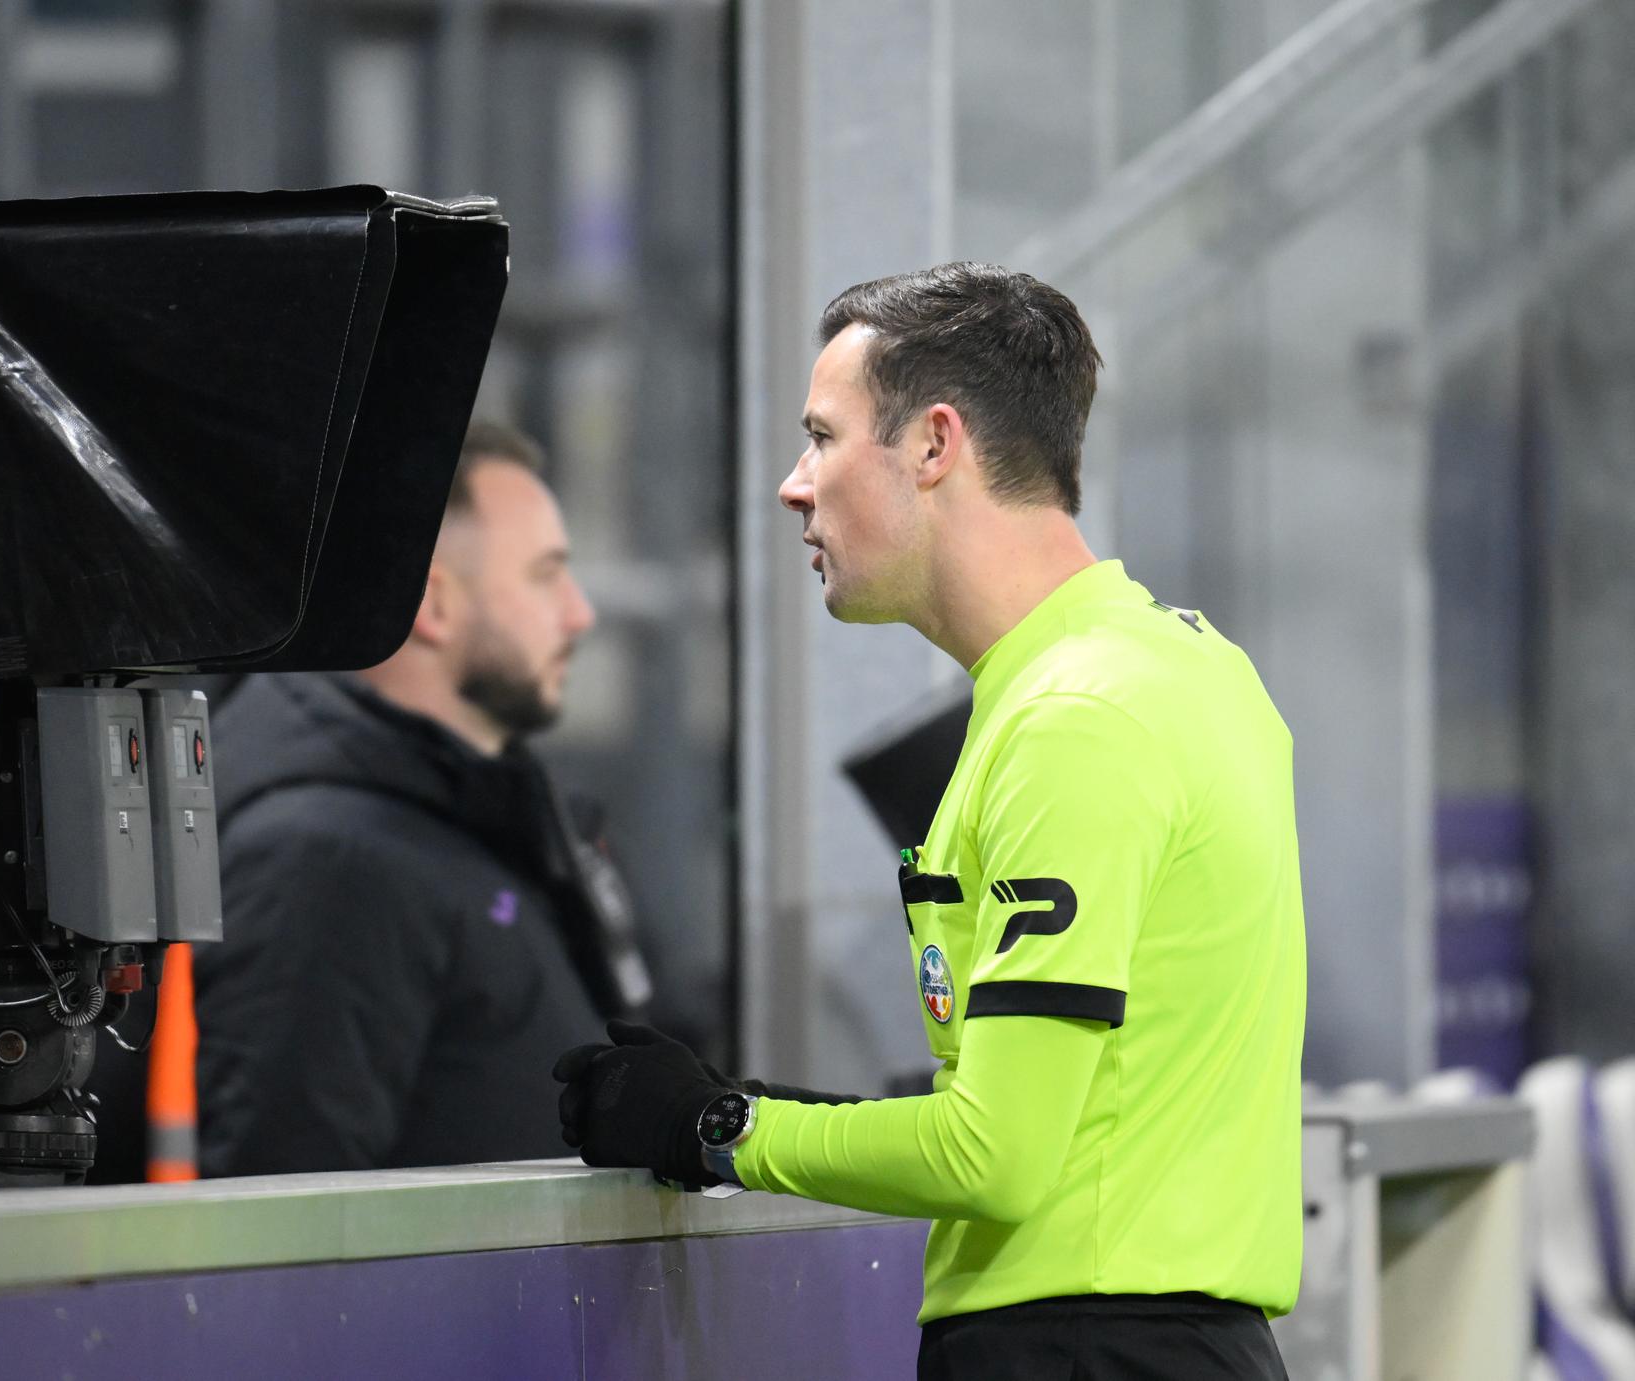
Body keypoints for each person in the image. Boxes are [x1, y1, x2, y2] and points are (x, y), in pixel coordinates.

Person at [553, 264, 1305, 1380]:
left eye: (822, 437)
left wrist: (718, 1130)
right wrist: (751, 1105)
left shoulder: (1075, 720)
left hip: (1083, 1352)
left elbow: (994, 1151)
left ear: (934, 444)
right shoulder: (1192, 669)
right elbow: (1086, 1111)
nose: (793, 487)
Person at [198, 421, 650, 1176]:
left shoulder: (473, 819)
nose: (579, 613)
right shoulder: (329, 859)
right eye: (545, 575)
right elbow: (281, 1213)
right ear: (431, 602)